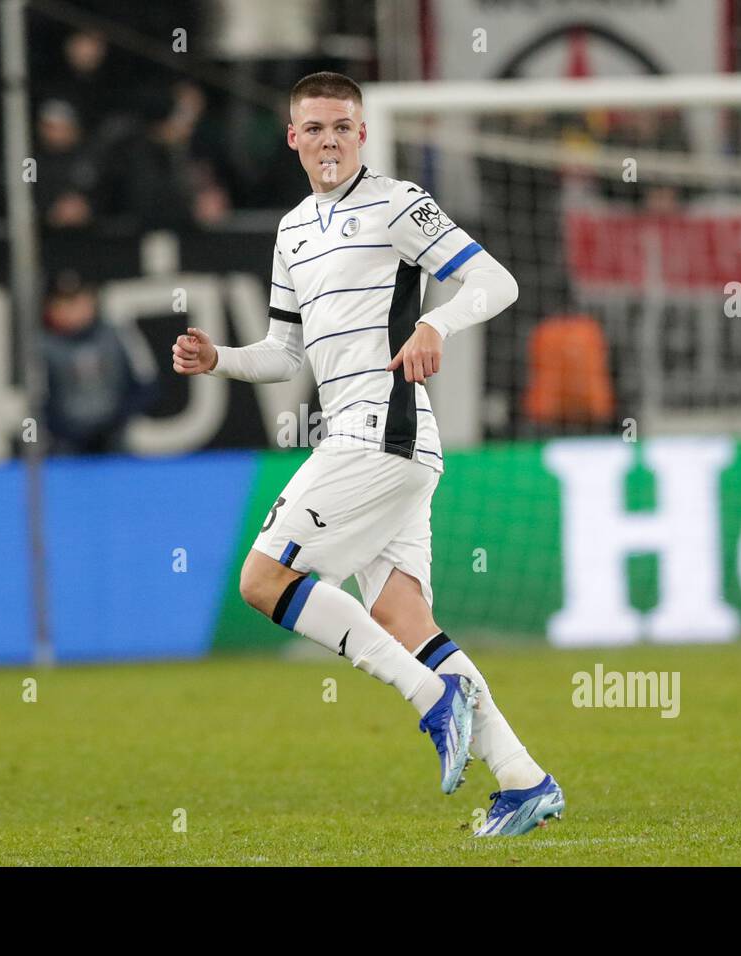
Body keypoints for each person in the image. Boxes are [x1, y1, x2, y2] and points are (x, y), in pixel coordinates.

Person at [172, 72, 563, 837]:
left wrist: (435, 327)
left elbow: (497, 281)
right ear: (293, 138)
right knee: (402, 613)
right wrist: (219, 358)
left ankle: (429, 699)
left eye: (342, 128)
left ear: (363, 135)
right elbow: (284, 356)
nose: (328, 141)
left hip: (384, 428)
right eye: (314, 128)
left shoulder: (397, 203)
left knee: (262, 578)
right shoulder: (291, 230)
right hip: (365, 434)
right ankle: (523, 781)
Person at [42, 270, 157, 456]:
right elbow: (35, 399)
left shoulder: (117, 334)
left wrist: (114, 421)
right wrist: (65, 429)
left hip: (116, 436)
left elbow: (146, 384)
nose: (71, 310)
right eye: (62, 303)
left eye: (77, 301)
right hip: (65, 442)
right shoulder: (42, 346)